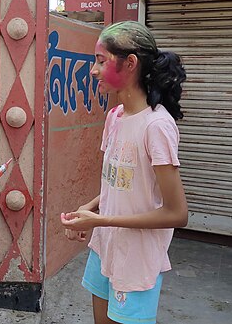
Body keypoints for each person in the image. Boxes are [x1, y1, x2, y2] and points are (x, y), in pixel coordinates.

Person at [61, 21, 189, 324]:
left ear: (130, 63)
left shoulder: (156, 126)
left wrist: (101, 219)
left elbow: (177, 213)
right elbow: (119, 186)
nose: (93, 70)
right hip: (105, 247)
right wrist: (88, 209)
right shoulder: (115, 116)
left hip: (137, 261)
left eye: (101, 61)